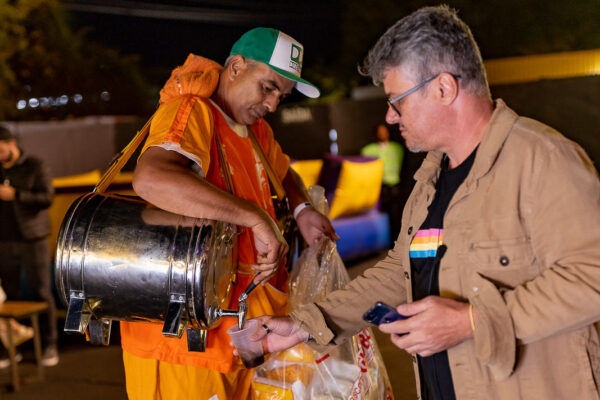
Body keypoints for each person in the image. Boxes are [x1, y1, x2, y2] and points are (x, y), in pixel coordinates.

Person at [250, 6, 600, 400]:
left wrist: (471, 321)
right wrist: (305, 324)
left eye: (396, 100)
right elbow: (400, 272)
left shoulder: (543, 160)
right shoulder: (430, 180)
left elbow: (592, 277)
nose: (389, 115)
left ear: (444, 88)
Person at [124, 27, 337, 399]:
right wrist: (256, 218)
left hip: (241, 336)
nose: (271, 105)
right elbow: (152, 179)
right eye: (268, 87)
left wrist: (302, 208)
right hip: (187, 343)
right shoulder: (193, 112)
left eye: (281, 97)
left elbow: (284, 173)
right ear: (236, 66)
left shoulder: (256, 131)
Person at [0, 125, 59, 367]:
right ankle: (10, 348)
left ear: (12, 143)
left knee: (41, 293)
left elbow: (47, 197)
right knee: (8, 298)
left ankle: (49, 345)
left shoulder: (35, 165)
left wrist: (16, 195)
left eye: (1, 148)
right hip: (3, 241)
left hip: (32, 240)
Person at [361, 123, 404, 243]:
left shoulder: (397, 148)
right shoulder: (368, 150)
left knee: (396, 214)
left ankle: (397, 240)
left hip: (394, 186)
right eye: (380, 132)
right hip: (379, 187)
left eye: (384, 131)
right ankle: (385, 241)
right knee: (381, 215)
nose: (383, 134)